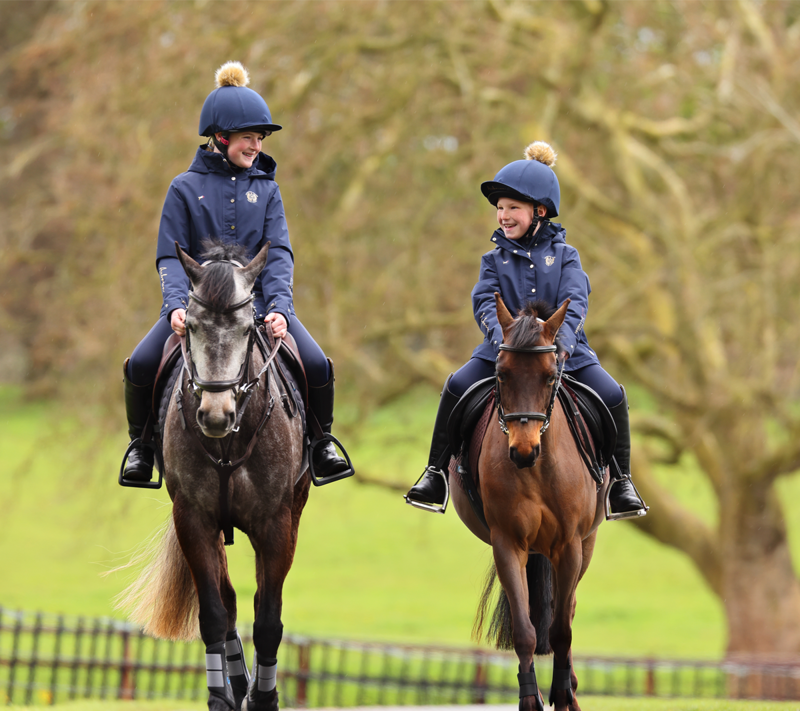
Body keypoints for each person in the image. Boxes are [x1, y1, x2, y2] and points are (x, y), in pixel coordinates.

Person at [122, 61, 351, 484]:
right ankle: (141, 447)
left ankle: (321, 445)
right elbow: (170, 256)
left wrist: (280, 308)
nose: (256, 147)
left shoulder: (267, 190)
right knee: (140, 365)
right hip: (198, 310)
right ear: (221, 137)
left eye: (260, 139)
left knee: (318, 366)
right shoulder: (183, 188)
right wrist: (174, 306)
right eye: (249, 138)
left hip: (257, 306)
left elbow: (279, 254)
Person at [405, 141, 647, 520]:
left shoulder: (566, 256)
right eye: (500, 208)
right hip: (503, 352)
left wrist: (562, 343)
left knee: (613, 394)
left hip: (564, 353)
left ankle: (621, 481)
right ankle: (435, 472)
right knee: (455, 386)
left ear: (539, 211)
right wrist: (501, 338)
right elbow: (484, 302)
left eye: (512, 208)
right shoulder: (492, 260)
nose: (503, 215)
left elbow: (575, 302)